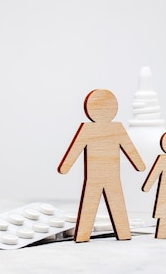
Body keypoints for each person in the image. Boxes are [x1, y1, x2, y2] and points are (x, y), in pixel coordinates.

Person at [58, 89, 146, 242]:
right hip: (98, 177)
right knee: (94, 204)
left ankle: (91, 235)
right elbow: (76, 149)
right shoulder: (94, 129)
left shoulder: (114, 128)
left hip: (107, 176)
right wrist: (139, 165)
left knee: (96, 204)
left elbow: (128, 148)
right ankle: (89, 234)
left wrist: (66, 167)